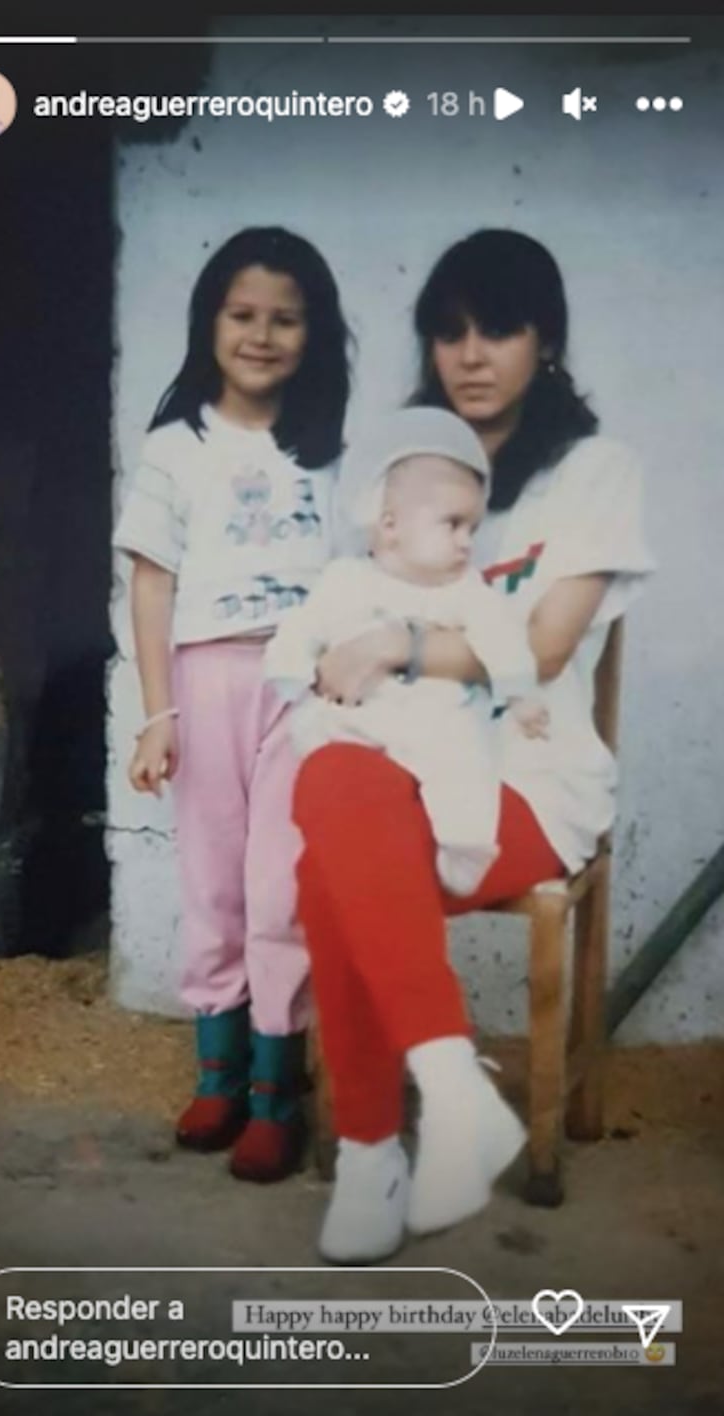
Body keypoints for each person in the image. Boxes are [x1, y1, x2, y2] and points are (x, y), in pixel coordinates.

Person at [290, 228, 656, 1263]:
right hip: (391, 766)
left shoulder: (593, 471)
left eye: (497, 327)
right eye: (446, 331)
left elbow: (538, 648)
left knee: (330, 862)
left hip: (530, 783)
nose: (470, 353)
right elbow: (334, 630)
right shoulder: (405, 475)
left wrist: (401, 643)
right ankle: (446, 1099)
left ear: (545, 339)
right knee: (335, 785)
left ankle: (374, 1152)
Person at [113, 227, 350, 1183]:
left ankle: (275, 1098)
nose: (262, 335)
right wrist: (158, 714)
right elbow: (151, 583)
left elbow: (356, 578)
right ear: (210, 321)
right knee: (214, 881)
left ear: (314, 332)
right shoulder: (177, 447)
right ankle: (217, 1077)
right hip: (205, 683)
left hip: (301, 686)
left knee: (280, 889)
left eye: (285, 319)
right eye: (243, 315)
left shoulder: (330, 448)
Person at [265, 406, 549, 898]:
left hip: (433, 718)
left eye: (473, 529)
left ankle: (466, 843)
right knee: (315, 734)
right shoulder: (345, 579)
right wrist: (296, 672)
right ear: (390, 525)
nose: (466, 543)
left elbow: (501, 637)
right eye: (453, 524)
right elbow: (301, 628)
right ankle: (341, 822)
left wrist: (519, 692)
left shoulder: (467, 590)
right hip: (360, 717)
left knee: (463, 763)